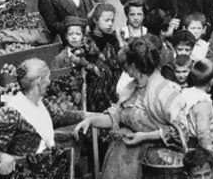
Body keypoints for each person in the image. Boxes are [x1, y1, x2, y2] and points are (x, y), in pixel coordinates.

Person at [72, 38, 188, 179]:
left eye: (126, 65)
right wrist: (90, 121)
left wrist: (144, 136)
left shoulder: (164, 91)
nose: (125, 70)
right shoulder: (131, 88)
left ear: (133, 66)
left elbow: (181, 130)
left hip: (152, 163)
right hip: (121, 160)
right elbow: (116, 115)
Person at [0, 58, 81, 175]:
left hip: (48, 164)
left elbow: (59, 116)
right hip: (28, 172)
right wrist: (5, 158)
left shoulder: (41, 102)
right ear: (39, 81)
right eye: (47, 78)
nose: (49, 81)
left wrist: (89, 116)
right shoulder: (10, 113)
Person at [176, 58, 213, 154]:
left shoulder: (186, 93)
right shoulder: (202, 104)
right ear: (212, 81)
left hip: (185, 142)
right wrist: (210, 153)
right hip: (197, 148)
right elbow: (203, 133)